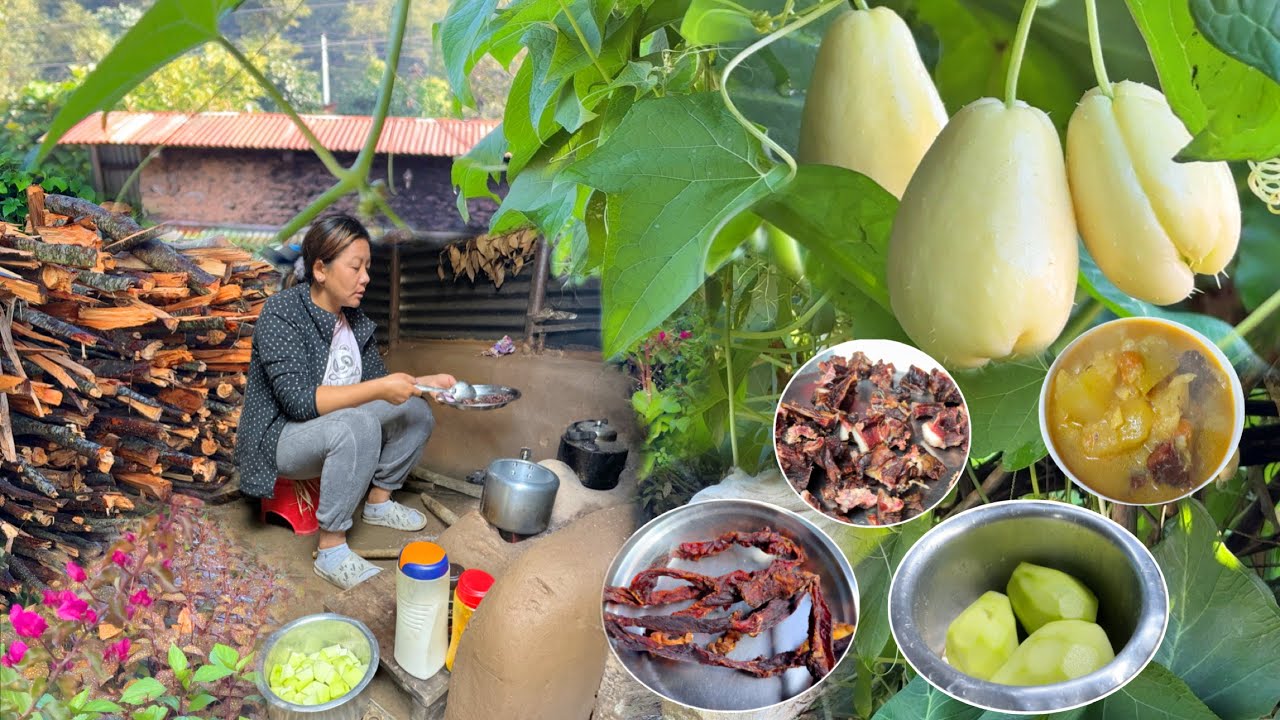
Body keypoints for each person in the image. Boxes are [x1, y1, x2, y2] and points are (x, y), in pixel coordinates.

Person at [236, 214, 457, 589]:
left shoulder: (354, 322)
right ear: (320, 269)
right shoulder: (282, 313)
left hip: (336, 428)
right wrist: (381, 389)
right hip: (282, 439)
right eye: (356, 267)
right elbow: (299, 402)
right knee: (359, 423)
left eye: (367, 267)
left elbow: (377, 387)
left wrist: (423, 385)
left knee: (415, 410)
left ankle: (378, 502)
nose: (366, 277)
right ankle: (332, 548)